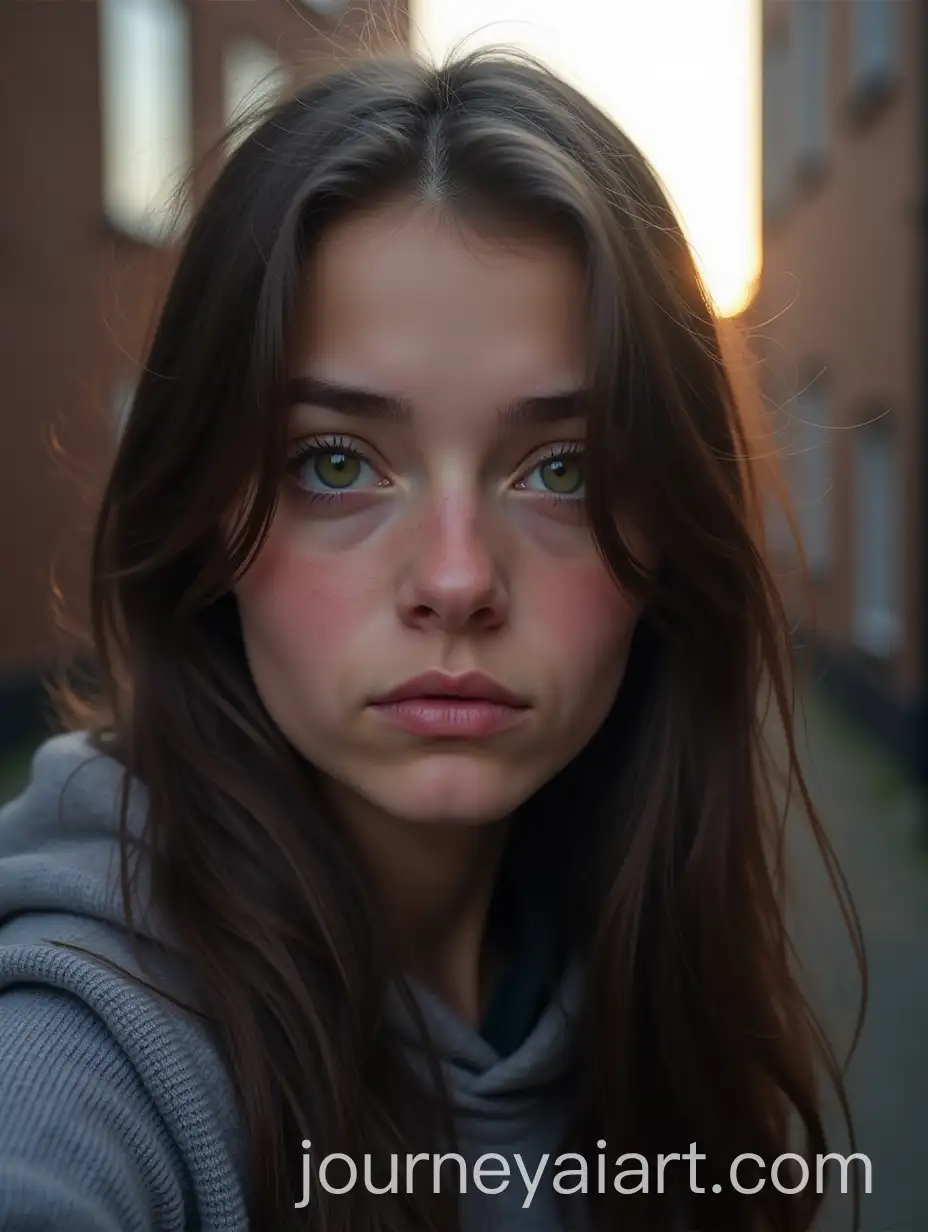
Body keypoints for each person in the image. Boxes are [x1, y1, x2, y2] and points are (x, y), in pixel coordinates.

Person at [0, 48, 862, 1232]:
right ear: (203, 519)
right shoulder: (85, 1060)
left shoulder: (646, 972)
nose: (457, 579)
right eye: (336, 463)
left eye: (562, 469)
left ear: (669, 540)